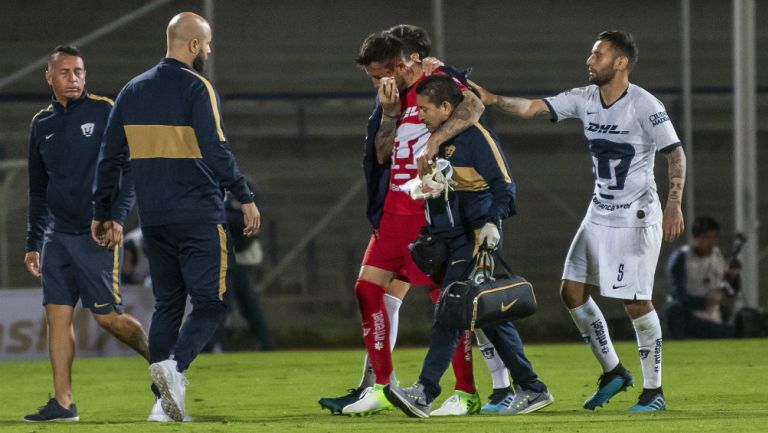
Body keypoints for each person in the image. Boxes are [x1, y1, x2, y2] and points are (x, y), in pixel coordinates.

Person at [462, 30, 687, 412]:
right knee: (571, 291)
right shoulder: (585, 99)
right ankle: (614, 371)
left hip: (636, 215)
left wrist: (674, 204)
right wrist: (493, 99)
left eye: (597, 55)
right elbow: (533, 107)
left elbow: (675, 153)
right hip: (599, 211)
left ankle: (654, 391)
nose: (589, 60)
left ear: (620, 62)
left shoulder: (645, 105)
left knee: (635, 303)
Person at [91, 12, 260, 422]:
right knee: (211, 303)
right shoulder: (197, 87)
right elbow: (216, 149)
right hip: (199, 214)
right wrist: (244, 195)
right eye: (207, 43)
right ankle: (174, 368)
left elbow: (110, 157)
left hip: (155, 219)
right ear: (193, 46)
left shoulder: (131, 90)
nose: (209, 50)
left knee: (168, 304)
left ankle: (162, 404)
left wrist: (103, 211)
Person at [319, 25, 494, 417]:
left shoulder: (436, 83)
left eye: (378, 74)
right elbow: (382, 154)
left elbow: (475, 106)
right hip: (392, 213)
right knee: (367, 290)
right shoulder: (391, 98)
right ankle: (384, 386)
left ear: (398, 65)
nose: (376, 82)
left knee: (445, 301)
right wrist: (388, 113)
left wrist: (435, 140)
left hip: (428, 214)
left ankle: (465, 391)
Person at [384, 74, 554, 418]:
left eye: (426, 109)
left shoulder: (477, 138)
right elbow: (448, 191)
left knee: (453, 307)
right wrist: (425, 195)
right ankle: (533, 388)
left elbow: (505, 186)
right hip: (451, 239)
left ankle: (424, 391)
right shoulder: (437, 140)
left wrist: (493, 223)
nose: (420, 116)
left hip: (476, 237)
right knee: (488, 316)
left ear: (447, 108)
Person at [23, 45, 150, 422]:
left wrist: (115, 216)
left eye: (79, 71)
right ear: (49, 77)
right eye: (64, 72)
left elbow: (129, 170)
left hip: (94, 233)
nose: (73, 78)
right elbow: (37, 188)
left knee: (108, 317)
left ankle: (163, 362)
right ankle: (64, 404)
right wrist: (33, 241)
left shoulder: (104, 111)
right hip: (56, 237)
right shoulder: (40, 124)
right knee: (56, 315)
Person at [665, 216, 739, 339]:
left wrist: (733, 278)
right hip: (689, 317)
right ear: (695, 237)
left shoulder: (717, 255)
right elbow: (678, 295)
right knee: (673, 309)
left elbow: (730, 291)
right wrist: (703, 302)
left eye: (714, 237)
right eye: (706, 237)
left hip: (713, 316)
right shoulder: (681, 258)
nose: (711, 242)